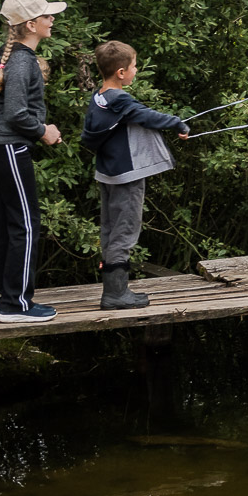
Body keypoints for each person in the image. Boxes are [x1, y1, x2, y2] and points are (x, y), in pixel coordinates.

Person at [0, 0, 67, 323]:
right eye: (46, 16)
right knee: (27, 225)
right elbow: (15, 113)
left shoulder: (9, 55)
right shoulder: (20, 61)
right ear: (31, 25)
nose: (52, 20)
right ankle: (15, 304)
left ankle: (9, 299)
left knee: (8, 223)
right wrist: (43, 130)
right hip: (7, 147)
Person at [80, 40, 190, 309]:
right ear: (121, 72)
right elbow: (147, 116)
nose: (136, 70)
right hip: (127, 176)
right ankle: (116, 294)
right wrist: (179, 123)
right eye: (134, 66)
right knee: (125, 231)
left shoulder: (99, 97)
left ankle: (113, 291)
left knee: (110, 231)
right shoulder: (121, 100)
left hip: (108, 174)